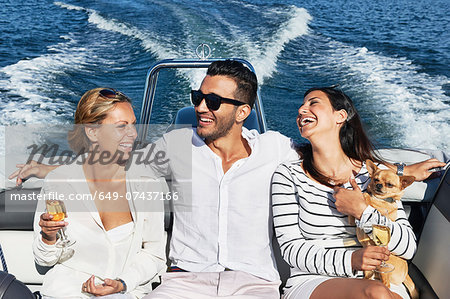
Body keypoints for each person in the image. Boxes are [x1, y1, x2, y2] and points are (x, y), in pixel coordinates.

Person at [10, 62, 445, 298]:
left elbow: (334, 154)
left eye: (214, 100)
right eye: (198, 97)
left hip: (254, 283)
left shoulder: (276, 148)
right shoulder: (178, 145)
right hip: (183, 281)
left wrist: (406, 173)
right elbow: (113, 160)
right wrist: (48, 170)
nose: (202, 105)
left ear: (242, 112)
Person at [271, 86, 422, 299]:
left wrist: (362, 211)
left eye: (313, 103)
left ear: (340, 116)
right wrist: (351, 261)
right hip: (314, 279)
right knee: (376, 295)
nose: (301, 109)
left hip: (382, 276)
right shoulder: (288, 176)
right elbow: (291, 250)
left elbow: (408, 247)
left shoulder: (375, 177)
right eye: (302, 105)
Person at [32, 88, 166, 298]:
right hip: (65, 293)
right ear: (92, 132)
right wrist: (48, 237)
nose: (133, 134)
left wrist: (122, 284)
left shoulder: (146, 183)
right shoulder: (59, 182)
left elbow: (155, 255)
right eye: (121, 127)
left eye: (133, 124)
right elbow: (44, 260)